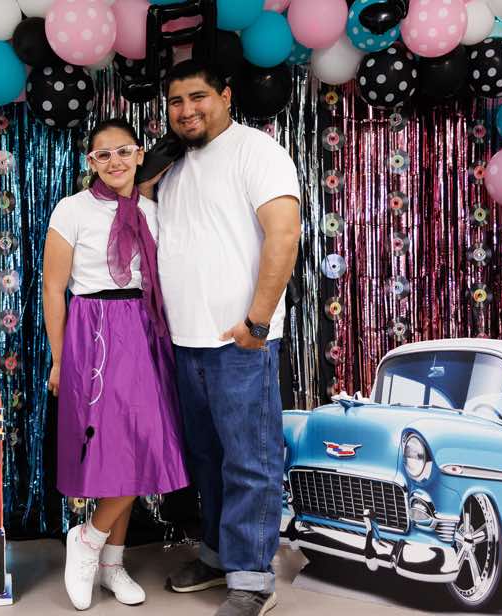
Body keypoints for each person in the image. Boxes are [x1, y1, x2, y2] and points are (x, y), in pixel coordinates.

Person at [142, 60, 301, 616]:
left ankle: (254, 580)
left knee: (250, 462)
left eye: (198, 97)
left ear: (226, 96)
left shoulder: (257, 152)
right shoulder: (174, 168)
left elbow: (284, 234)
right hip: (186, 342)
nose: (186, 110)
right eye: (176, 102)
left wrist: (257, 322)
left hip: (241, 342)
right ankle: (217, 557)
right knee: (206, 460)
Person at [42, 118, 189, 611]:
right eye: (103, 154)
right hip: (96, 329)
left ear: (139, 154)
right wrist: (59, 359)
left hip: (144, 329)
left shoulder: (152, 211)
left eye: (123, 151)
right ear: (91, 162)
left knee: (141, 443)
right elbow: (53, 289)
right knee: (114, 447)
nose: (115, 162)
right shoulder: (72, 209)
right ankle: (89, 542)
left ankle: (108, 558)